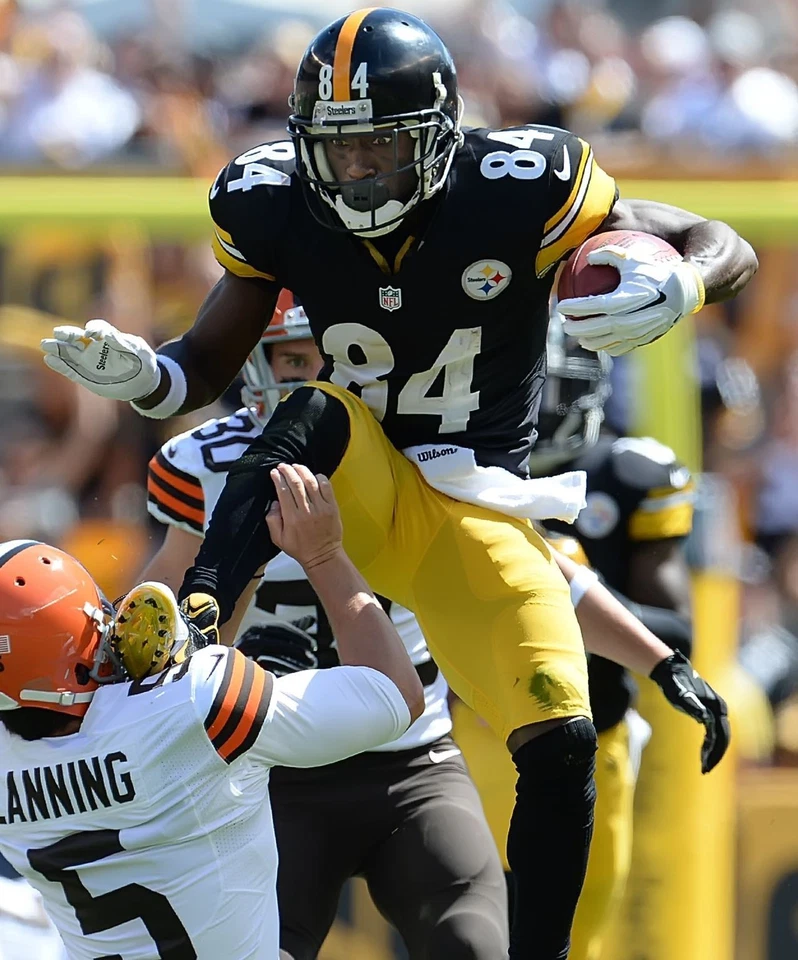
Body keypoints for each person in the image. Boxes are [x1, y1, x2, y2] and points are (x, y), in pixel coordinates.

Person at [40, 9, 752, 956]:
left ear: (436, 138)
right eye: (334, 152)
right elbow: (203, 368)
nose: (354, 173)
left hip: (473, 508)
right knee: (321, 409)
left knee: (564, 735)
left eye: (378, 147)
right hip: (349, 479)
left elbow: (716, 239)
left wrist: (686, 282)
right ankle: (202, 613)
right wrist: (148, 379)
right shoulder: (272, 202)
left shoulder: (521, 183)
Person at [142, 291, 510, 960]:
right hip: (268, 770)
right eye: (294, 358)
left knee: (473, 945)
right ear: (255, 364)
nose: (318, 378)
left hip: (412, 760)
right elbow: (165, 646)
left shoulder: (421, 447)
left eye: (337, 357)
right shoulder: (203, 466)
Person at [0, 464, 425, 960]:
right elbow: (398, 693)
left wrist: (248, 568)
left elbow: (152, 727)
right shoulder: (199, 701)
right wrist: (325, 553)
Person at [454, 322, 699, 960]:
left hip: (592, 735)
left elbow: (677, 631)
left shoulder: (627, 473)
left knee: (569, 941)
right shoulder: (456, 467)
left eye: (543, 382)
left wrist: (571, 589)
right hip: (472, 731)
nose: (529, 399)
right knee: (462, 935)